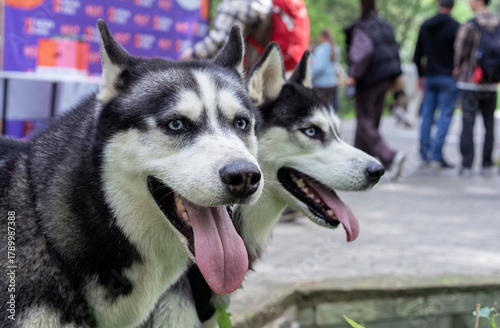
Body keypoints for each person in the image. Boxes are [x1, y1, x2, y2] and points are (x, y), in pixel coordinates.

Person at [344, 0, 404, 180]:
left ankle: (390, 157)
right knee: (372, 121)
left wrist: (353, 75)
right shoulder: (384, 24)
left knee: (364, 120)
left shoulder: (362, 26)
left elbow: (362, 52)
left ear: (361, 6)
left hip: (369, 79)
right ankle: (360, 164)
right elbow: (394, 50)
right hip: (386, 78)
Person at [454, 0, 500, 176]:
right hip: (491, 84)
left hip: (470, 81)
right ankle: (487, 165)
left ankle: (467, 165)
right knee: (489, 124)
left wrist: (457, 67)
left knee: (468, 122)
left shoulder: (470, 25)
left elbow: (460, 50)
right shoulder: (498, 24)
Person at [413, 0, 460, 169]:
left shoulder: (426, 25)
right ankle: (437, 154)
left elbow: (417, 54)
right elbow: (460, 54)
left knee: (427, 115)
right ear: (452, 6)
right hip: (448, 78)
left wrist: (420, 75)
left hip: (430, 76)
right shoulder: (456, 27)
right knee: (445, 116)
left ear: (438, 4)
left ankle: (425, 154)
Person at [179, 0, 273, 71]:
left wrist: (192, 54)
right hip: (259, 70)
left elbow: (221, 40)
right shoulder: (264, 2)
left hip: (240, 73)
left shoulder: (238, 3)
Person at [311, 29, 341, 111]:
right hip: (332, 83)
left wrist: (311, 76)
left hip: (321, 84)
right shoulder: (336, 48)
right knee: (331, 110)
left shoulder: (322, 49)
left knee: (321, 110)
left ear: (322, 37)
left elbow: (319, 67)